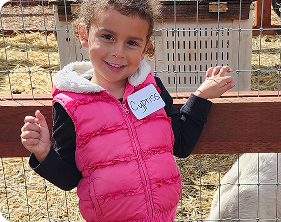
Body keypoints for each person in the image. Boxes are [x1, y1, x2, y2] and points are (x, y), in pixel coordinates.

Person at [20, 0, 235, 221]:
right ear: (84, 35)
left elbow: (180, 144)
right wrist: (44, 153)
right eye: (107, 37)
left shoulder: (152, 88)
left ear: (145, 48)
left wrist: (200, 97)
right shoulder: (71, 106)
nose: (118, 52)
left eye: (132, 42)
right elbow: (69, 179)